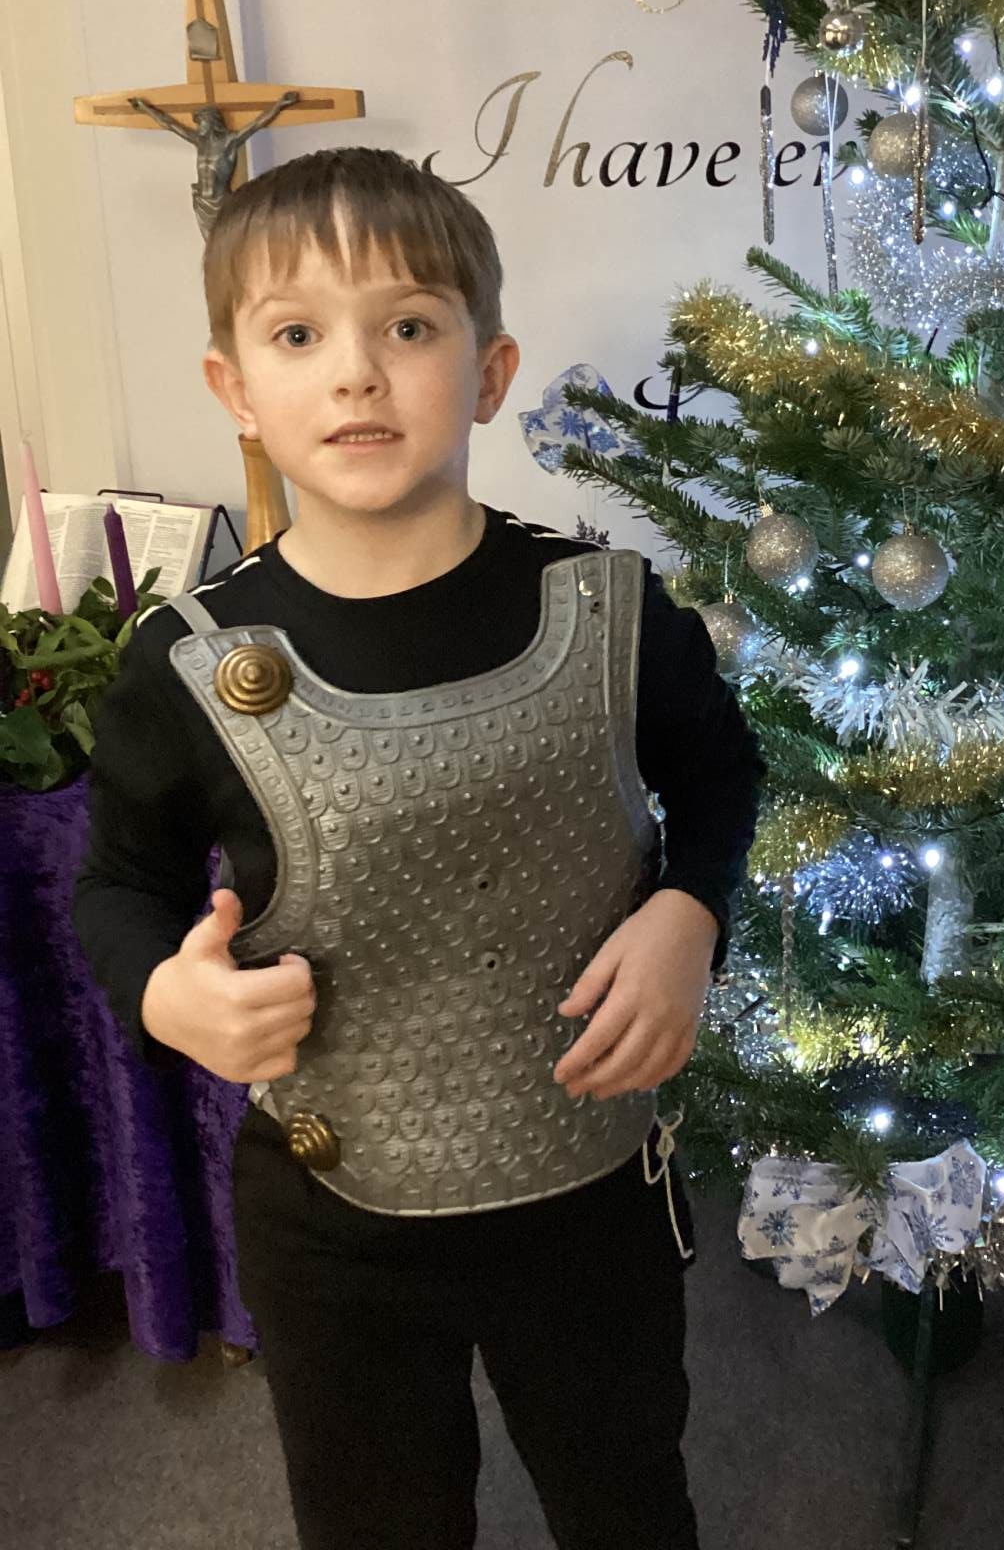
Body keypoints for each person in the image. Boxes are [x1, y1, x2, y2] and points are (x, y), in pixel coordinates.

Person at [70, 146, 766, 1550]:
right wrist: (165, 992)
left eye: (407, 326)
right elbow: (119, 886)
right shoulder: (189, 664)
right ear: (235, 390)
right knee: (374, 1518)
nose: (356, 375)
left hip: (586, 1188)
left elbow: (719, 775)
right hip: (334, 1219)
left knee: (627, 1495)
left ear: (489, 370)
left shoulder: (611, 609)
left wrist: (690, 911)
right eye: (298, 336)